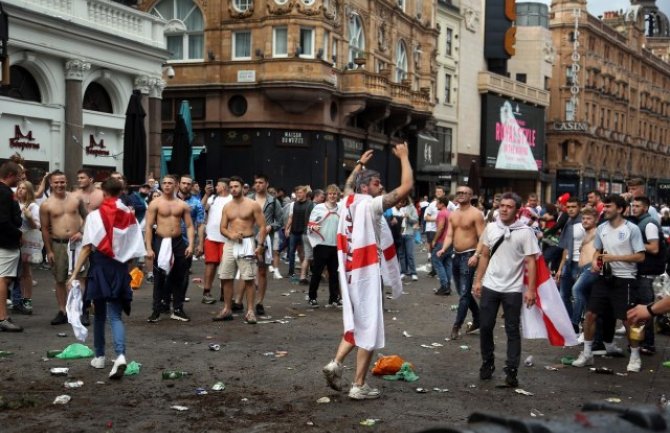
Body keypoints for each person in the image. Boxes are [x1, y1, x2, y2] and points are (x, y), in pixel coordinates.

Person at [322, 142, 412, 400]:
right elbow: (405, 188)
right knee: (369, 327)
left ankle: (336, 364)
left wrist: (359, 164)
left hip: (348, 271)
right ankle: (359, 385)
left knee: (358, 321)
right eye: (377, 183)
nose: (381, 186)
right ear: (366, 187)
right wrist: (404, 158)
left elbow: (348, 183)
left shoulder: (347, 200)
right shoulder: (370, 206)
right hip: (366, 273)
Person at [67, 178, 145, 378]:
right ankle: (120, 356)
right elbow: (136, 249)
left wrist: (74, 274)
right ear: (121, 192)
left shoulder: (94, 216)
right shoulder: (130, 215)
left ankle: (100, 357)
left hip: (99, 267)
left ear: (104, 193)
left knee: (99, 315)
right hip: (119, 269)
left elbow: (86, 248)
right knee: (115, 316)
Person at [571, 194, 646, 373]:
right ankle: (587, 353)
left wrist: (615, 257)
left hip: (626, 279)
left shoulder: (632, 229)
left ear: (620, 209)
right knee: (590, 315)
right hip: (604, 278)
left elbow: (641, 256)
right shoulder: (602, 227)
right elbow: (598, 251)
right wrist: (596, 263)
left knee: (629, 320)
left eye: (608, 207)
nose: (604, 209)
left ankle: (635, 356)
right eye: (604, 206)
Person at [473, 192, 540, 387]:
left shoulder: (526, 232)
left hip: (513, 288)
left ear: (517, 210)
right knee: (485, 326)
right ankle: (488, 362)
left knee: (512, 330)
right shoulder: (491, 227)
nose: (503, 209)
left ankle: (512, 369)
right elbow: (484, 255)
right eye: (501, 205)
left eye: (509, 206)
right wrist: (478, 280)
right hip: (491, 285)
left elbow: (531, 261)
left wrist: (531, 290)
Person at [212, 176, 266, 324]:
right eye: (231, 187)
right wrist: (231, 234)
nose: (234, 189)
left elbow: (262, 226)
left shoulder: (253, 205)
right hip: (230, 243)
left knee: (248, 278)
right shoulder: (227, 206)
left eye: (236, 186)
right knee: (225, 276)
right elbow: (222, 228)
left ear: (243, 187)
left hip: (247, 242)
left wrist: (260, 245)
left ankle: (250, 311)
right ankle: (227, 309)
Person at [39, 171, 88, 326]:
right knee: (60, 279)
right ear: (51, 184)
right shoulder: (46, 205)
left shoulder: (75, 199)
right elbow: (45, 229)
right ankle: (63, 311)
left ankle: (81, 311)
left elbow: (87, 217)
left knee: (80, 277)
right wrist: (49, 251)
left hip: (77, 244)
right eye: (56, 182)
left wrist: (81, 232)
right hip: (58, 244)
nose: (59, 185)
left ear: (66, 182)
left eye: (62, 182)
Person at [437, 185, 485, 339]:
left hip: (469, 255)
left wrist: (476, 255)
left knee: (464, 294)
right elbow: (450, 235)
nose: (462, 195)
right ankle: (478, 319)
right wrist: (444, 248)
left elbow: (483, 237)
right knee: (461, 291)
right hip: (456, 256)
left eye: (465, 193)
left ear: (471, 196)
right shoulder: (453, 214)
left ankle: (456, 326)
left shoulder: (476, 214)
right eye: (459, 192)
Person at [145, 175, 195, 323]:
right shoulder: (155, 203)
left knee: (179, 276)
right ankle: (156, 310)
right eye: (164, 183)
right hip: (161, 241)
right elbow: (148, 227)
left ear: (176, 185)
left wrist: (191, 244)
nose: (167, 185)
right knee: (159, 276)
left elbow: (190, 226)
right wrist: (149, 247)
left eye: (170, 183)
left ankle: (178, 308)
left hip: (178, 242)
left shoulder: (182, 205)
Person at [631, 196, 666, 355]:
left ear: (645, 208)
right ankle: (640, 341)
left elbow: (654, 248)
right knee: (640, 308)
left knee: (646, 309)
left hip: (648, 273)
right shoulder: (641, 222)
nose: (634, 208)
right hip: (643, 272)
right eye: (633, 205)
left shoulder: (649, 224)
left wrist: (634, 243)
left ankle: (648, 344)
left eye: (637, 206)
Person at [249, 174, 283, 315]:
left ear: (267, 184)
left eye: (261, 182)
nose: (258, 185)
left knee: (262, 270)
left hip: (265, 239)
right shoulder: (248, 199)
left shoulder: (274, 201)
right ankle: (239, 301)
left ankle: (259, 302)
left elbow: (280, 221)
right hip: (248, 238)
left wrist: (271, 226)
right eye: (256, 182)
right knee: (246, 270)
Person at [306, 184, 342, 307]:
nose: (332, 196)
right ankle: (312, 297)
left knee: (334, 274)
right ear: (327, 195)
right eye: (330, 194)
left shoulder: (341, 208)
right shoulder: (319, 208)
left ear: (338, 195)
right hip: (321, 245)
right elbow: (310, 225)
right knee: (317, 272)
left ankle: (333, 298)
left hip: (336, 246)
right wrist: (313, 227)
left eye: (335, 194)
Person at [198, 178, 231, 304]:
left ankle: (224, 293)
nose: (215, 187)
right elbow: (200, 208)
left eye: (217, 185)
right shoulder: (212, 198)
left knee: (225, 266)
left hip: (226, 238)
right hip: (211, 237)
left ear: (223, 187)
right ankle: (206, 292)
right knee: (210, 265)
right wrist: (206, 194)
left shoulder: (232, 200)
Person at [0, 162, 24, 332]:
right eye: (19, 175)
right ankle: (2, 317)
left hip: (5, 241)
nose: (21, 179)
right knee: (4, 279)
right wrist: (18, 234)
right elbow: (3, 220)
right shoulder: (3, 192)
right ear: (10, 175)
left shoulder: (5, 191)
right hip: (6, 242)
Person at [555, 197, 582, 328]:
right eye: (568, 207)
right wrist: (560, 268)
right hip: (568, 263)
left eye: (573, 207)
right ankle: (571, 323)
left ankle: (577, 323)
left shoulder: (584, 222)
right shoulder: (568, 222)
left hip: (580, 264)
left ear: (579, 207)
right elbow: (566, 247)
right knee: (563, 295)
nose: (570, 210)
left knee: (578, 295)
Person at [14, 181, 40, 315]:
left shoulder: (33, 206)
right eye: (19, 188)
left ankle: (27, 298)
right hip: (14, 240)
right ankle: (16, 298)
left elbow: (36, 226)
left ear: (29, 191)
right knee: (15, 272)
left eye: (24, 188)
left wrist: (29, 216)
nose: (21, 190)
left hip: (27, 240)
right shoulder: (15, 203)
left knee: (25, 271)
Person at [285, 186, 313, 283]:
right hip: (294, 231)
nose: (298, 195)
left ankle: (304, 272)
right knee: (291, 252)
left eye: (300, 193)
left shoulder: (310, 204)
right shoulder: (294, 204)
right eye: (297, 193)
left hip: (304, 232)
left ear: (305, 193)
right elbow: (291, 217)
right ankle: (291, 272)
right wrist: (287, 228)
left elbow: (312, 219)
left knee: (304, 254)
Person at [430, 196, 452, 295]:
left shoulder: (442, 213)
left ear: (442, 204)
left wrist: (434, 240)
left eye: (437, 202)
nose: (435, 204)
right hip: (450, 241)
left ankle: (444, 286)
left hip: (442, 241)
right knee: (447, 262)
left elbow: (440, 227)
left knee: (436, 261)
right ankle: (448, 286)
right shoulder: (450, 213)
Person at [397, 197, 419, 280]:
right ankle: (403, 271)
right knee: (401, 254)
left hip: (409, 233)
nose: (401, 203)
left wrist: (408, 216)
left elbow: (415, 220)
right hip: (400, 233)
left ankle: (413, 272)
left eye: (403, 201)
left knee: (410, 254)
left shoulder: (412, 208)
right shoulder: (397, 208)